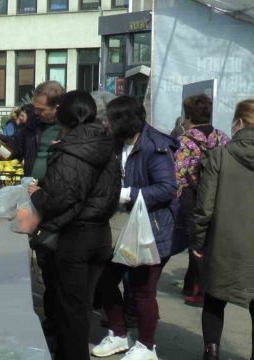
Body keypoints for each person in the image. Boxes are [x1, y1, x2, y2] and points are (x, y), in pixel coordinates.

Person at [29, 90, 121, 360]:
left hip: (75, 238)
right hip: (100, 234)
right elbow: (110, 193)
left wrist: (37, 193)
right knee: (80, 307)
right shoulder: (106, 144)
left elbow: (57, 200)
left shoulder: (70, 150)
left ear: (63, 117)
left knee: (72, 312)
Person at [93, 96, 180, 360]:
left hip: (150, 229)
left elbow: (166, 189)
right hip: (119, 227)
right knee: (105, 281)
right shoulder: (117, 144)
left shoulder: (155, 146)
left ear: (124, 121)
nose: (106, 124)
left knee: (143, 291)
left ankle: (146, 346)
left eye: (110, 119)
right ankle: (119, 335)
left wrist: (127, 194)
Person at [0, 81, 65, 350]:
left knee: (57, 261)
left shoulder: (69, 124)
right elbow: (16, 146)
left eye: (42, 110)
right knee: (41, 251)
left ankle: (58, 324)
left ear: (57, 106)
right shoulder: (32, 122)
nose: (37, 113)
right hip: (31, 194)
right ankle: (51, 321)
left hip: (56, 196)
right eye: (36, 109)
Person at [191, 99, 254, 360]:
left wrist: (197, 242)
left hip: (224, 242)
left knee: (215, 298)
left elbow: (204, 206)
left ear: (238, 122)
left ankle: (211, 353)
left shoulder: (220, 154)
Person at [174, 94, 230, 306]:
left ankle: (202, 289)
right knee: (210, 241)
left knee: (194, 241)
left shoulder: (185, 140)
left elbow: (178, 174)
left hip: (192, 195)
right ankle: (192, 283)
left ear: (188, 115)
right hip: (216, 194)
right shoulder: (223, 138)